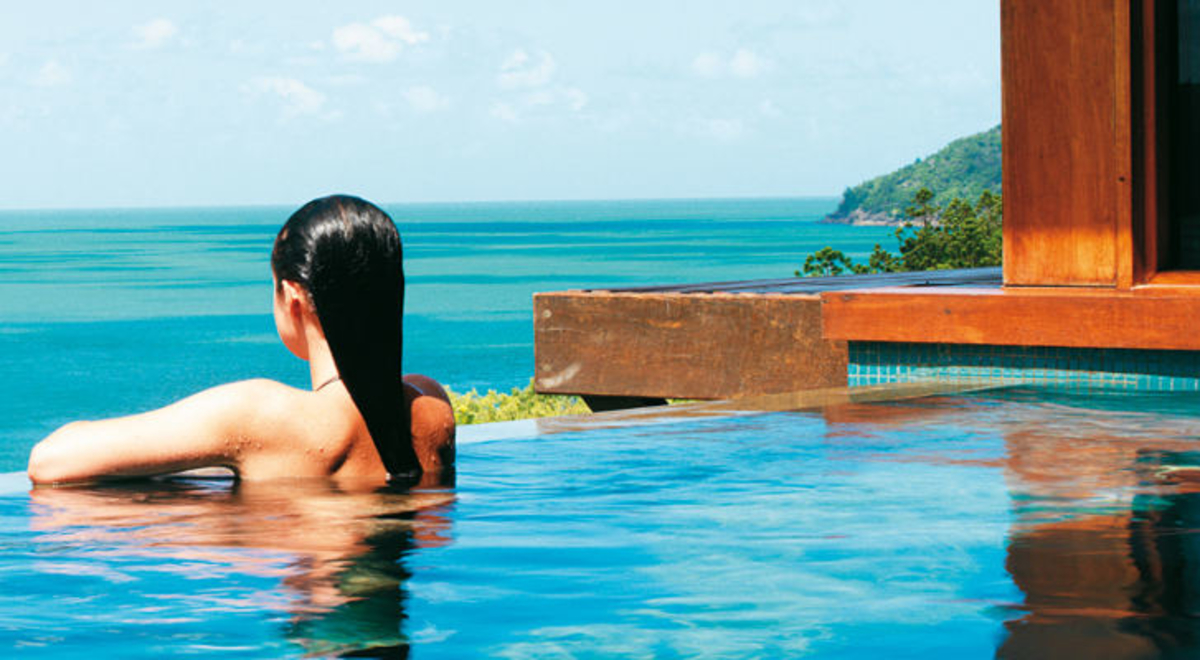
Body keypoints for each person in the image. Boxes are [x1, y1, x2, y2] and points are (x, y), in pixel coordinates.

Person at [27, 194, 455, 487]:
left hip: (322, 617)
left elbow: (51, 461)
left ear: (292, 299)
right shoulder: (432, 407)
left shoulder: (260, 416)